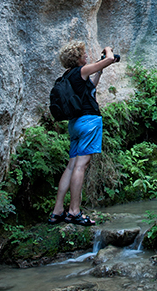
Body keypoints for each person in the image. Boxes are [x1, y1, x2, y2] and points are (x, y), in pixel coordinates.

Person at [47, 40, 116, 226]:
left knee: (71, 165)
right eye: (84, 54)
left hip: (75, 124)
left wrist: (99, 71)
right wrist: (108, 50)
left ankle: (57, 211)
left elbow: (90, 89)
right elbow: (109, 59)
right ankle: (74, 212)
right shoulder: (81, 71)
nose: (86, 56)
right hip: (89, 123)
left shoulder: (69, 76)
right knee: (81, 166)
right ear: (77, 57)